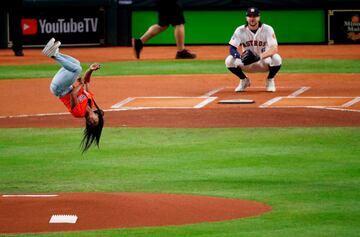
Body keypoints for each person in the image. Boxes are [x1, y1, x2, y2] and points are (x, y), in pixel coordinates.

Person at [42, 38, 104, 153]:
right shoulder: (90, 101)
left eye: (90, 123)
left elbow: (74, 94)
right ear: (98, 117)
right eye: (95, 121)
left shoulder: (79, 113)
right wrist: (90, 70)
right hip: (64, 84)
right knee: (76, 63)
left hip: (59, 88)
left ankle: (53, 55)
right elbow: (87, 81)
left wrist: (80, 83)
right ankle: (53, 52)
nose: (91, 120)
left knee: (77, 69)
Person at [225, 7, 282, 92]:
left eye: (254, 16)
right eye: (250, 16)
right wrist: (240, 57)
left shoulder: (268, 29)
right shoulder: (240, 30)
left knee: (277, 58)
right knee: (229, 60)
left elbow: (274, 49)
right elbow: (232, 48)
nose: (252, 18)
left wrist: (259, 57)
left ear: (259, 17)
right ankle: (244, 80)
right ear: (246, 18)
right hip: (247, 63)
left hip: (263, 62)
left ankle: (270, 79)